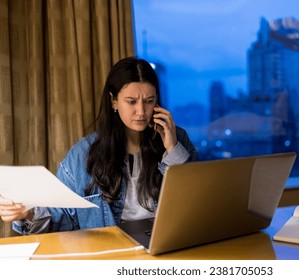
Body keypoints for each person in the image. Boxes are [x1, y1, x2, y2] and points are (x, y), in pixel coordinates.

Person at [0, 56, 198, 234]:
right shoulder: (83, 153)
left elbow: (194, 203)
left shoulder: (177, 139)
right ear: (113, 101)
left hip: (165, 241)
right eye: (131, 102)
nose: (141, 111)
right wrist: (28, 213)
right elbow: (64, 216)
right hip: (110, 249)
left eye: (149, 101)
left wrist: (172, 150)